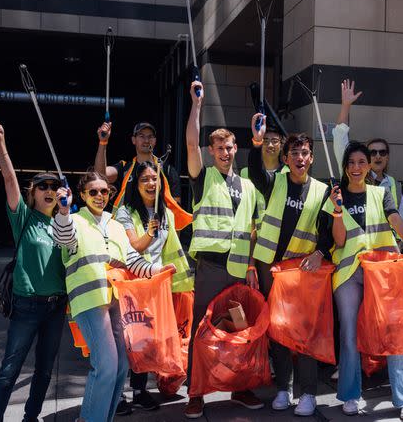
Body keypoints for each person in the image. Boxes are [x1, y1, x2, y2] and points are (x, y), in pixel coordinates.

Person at [53, 171, 174, 422]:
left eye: (104, 191)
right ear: (83, 194)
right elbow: (63, 237)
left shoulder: (116, 225)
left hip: (116, 302)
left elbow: (132, 261)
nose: (99, 196)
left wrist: (157, 270)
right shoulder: (73, 220)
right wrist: (62, 212)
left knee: (120, 368)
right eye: (93, 192)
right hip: (89, 301)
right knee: (106, 365)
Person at [327, 141, 403, 420]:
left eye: (361, 162)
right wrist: (336, 211)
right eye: (351, 163)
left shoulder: (382, 193)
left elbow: (394, 218)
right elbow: (340, 240)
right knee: (348, 335)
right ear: (345, 167)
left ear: (369, 166)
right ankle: (350, 395)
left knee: (394, 332)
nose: (356, 168)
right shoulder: (336, 196)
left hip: (382, 270)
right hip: (349, 274)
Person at [184, 81, 262, 419]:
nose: (225, 152)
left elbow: (253, 229)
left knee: (239, 330)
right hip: (211, 268)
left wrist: (251, 266)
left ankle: (239, 386)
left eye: (229, 147)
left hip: (238, 269)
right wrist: (196, 105)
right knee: (203, 330)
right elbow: (190, 142)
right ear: (212, 151)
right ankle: (196, 391)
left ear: (235, 148)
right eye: (218, 148)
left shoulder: (247, 184)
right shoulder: (203, 177)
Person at [248, 113, 333, 417]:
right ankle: (283, 387)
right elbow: (257, 170)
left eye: (305, 153)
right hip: (270, 269)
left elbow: (327, 233)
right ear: (285, 157)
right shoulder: (274, 181)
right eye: (294, 152)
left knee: (305, 332)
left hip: (301, 273)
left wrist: (321, 252)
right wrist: (257, 143)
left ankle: (308, 392)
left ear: (311, 158)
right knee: (278, 330)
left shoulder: (323, 191)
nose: (299, 157)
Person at [0, 119, 67, 422]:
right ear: (33, 194)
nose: (49, 189)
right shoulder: (24, 217)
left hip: (56, 306)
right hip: (26, 306)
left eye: (54, 186)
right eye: (42, 186)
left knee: (45, 371)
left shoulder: (66, 223)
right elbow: (8, 178)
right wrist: (1, 142)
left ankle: (30, 418)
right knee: (9, 371)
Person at [114, 161, 195, 415]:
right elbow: (131, 250)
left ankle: (139, 391)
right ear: (136, 185)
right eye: (145, 180)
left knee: (146, 341)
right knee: (127, 341)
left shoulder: (167, 214)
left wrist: (180, 284)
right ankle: (117, 395)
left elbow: (172, 251)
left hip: (157, 286)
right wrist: (149, 233)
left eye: (155, 179)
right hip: (131, 287)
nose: (151, 184)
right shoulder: (125, 213)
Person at [332, 79, 403, 234]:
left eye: (382, 152)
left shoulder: (394, 185)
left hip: (387, 251)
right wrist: (345, 106)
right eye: (372, 152)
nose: (377, 156)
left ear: (387, 157)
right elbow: (340, 138)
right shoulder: (353, 175)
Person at [94, 121, 189, 223]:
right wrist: (103, 142)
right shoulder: (125, 167)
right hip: (127, 229)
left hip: (157, 230)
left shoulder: (168, 171)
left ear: (155, 140)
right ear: (133, 140)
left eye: (150, 136)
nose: (146, 140)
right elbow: (100, 176)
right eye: (141, 136)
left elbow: (175, 213)